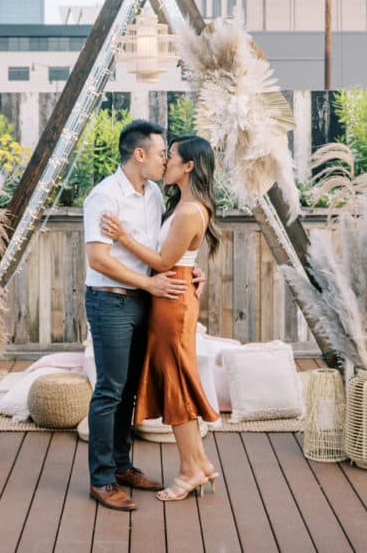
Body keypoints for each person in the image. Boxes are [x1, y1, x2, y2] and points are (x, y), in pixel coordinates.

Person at [101, 134, 221, 503]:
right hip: (172, 294)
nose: (165, 161)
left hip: (171, 299)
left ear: (188, 166)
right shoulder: (182, 205)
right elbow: (176, 259)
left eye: (171, 156)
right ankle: (197, 463)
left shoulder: (188, 211)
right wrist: (193, 270)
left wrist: (121, 236)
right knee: (176, 381)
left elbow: (163, 263)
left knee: (177, 382)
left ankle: (190, 469)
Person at [82, 119, 189, 512]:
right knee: (109, 389)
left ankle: (123, 467)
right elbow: (99, 259)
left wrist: (190, 270)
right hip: (110, 302)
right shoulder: (104, 197)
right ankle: (102, 480)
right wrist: (148, 286)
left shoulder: (154, 196)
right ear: (138, 154)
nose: (166, 160)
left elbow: (159, 251)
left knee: (130, 389)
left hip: (144, 300)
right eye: (162, 153)